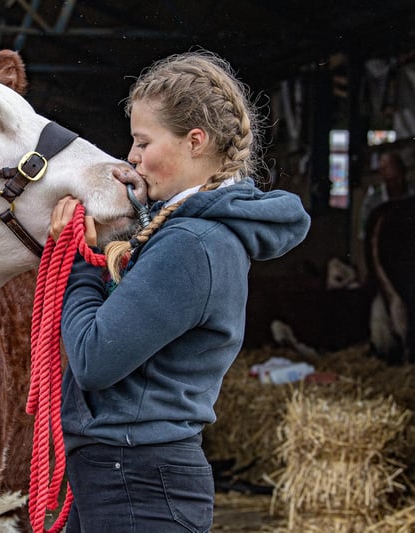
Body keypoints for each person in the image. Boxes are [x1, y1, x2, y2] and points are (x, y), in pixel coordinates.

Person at [49, 50, 311, 532]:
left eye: (143, 141)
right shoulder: (187, 234)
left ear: (195, 141)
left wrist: (87, 259)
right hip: (128, 473)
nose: (131, 157)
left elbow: (92, 358)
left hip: (135, 481)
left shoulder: (192, 245)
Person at [359, 150, 413, 239]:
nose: (395, 184)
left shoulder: (412, 193)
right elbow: (365, 235)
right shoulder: (372, 201)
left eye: (397, 178)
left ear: (404, 173)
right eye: (390, 180)